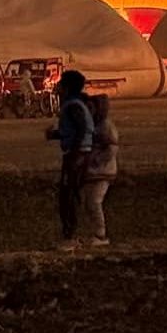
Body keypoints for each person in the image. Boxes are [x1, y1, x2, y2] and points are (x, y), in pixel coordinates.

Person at [46, 69, 92, 250]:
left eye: (61, 83)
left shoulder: (73, 105)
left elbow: (80, 129)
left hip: (76, 155)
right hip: (80, 152)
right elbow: (76, 130)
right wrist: (55, 135)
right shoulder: (78, 104)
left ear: (66, 87)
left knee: (68, 195)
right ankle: (71, 234)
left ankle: (70, 237)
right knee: (70, 194)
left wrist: (73, 152)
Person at [83, 93, 120, 245]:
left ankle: (101, 235)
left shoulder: (105, 127)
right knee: (89, 203)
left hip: (102, 171)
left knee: (94, 202)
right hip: (94, 171)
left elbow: (111, 149)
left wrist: (96, 160)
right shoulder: (94, 126)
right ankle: (94, 233)